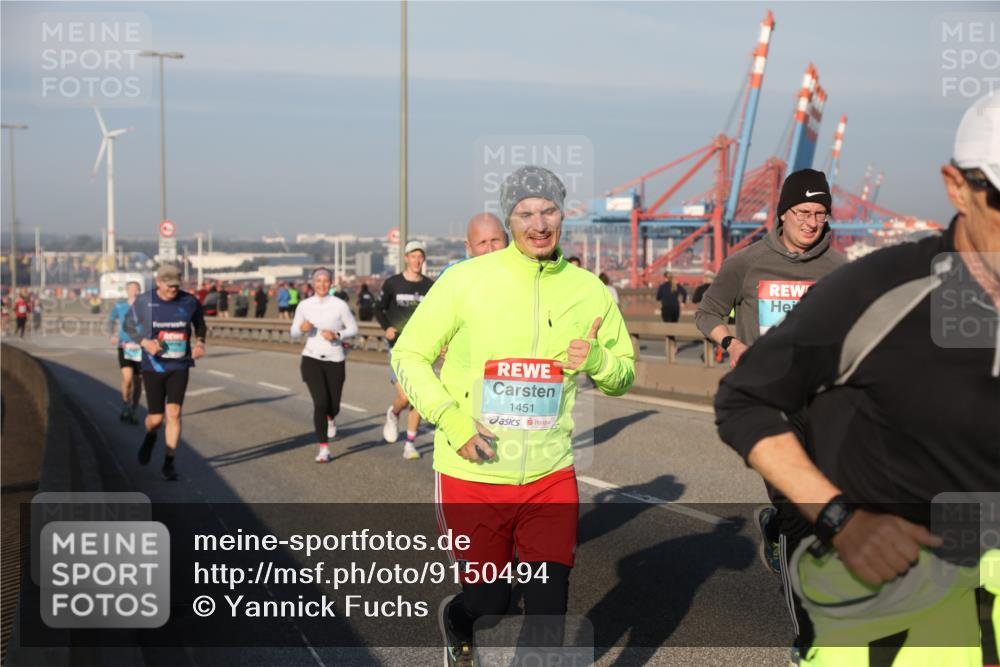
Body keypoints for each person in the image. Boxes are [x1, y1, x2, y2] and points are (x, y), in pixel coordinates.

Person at [715, 95, 1000, 666]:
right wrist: (840, 518)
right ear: (958, 187)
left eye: (821, 213)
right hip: (902, 613)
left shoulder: (835, 267)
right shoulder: (875, 291)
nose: (813, 220)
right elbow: (744, 399)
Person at [391, 166, 635, 666]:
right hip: (472, 472)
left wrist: (595, 361)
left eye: (548, 211)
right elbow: (408, 355)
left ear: (563, 215)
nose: (538, 224)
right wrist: (454, 425)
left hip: (549, 474)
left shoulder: (588, 289)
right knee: (491, 603)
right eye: (525, 213)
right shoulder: (465, 280)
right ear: (510, 219)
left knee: (548, 611)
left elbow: (625, 374)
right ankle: (459, 619)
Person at [124, 263, 207, 481]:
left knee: (175, 413)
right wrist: (145, 343)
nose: (173, 289)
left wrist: (200, 343)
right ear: (158, 282)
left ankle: (169, 462)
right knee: (156, 418)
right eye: (168, 285)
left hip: (179, 366)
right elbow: (128, 327)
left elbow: (200, 323)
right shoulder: (145, 301)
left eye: (176, 285)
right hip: (153, 366)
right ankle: (151, 435)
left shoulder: (189, 301)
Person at [291, 268, 359, 463]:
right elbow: (294, 331)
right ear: (312, 283)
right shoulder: (304, 305)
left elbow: (353, 328)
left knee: (333, 404)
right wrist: (301, 329)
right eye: (318, 280)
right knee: (320, 403)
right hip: (311, 358)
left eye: (325, 281)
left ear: (331, 283)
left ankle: (331, 417)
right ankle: (323, 448)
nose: (322, 284)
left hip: (335, 358)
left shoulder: (339, 305)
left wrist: (337, 335)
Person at [375, 239, 434, 460]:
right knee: (406, 396)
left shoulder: (429, 286)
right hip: (398, 347)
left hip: (422, 348)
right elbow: (378, 308)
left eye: (420, 257)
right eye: (413, 256)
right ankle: (394, 412)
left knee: (417, 396)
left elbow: (436, 315)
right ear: (406, 258)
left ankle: (410, 443)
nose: (417, 260)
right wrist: (386, 327)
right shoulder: (392, 284)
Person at [107, 281, 143, 424]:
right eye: (132, 289)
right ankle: (125, 404)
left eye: (137, 289)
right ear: (127, 291)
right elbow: (110, 320)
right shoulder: (120, 306)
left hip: (141, 347)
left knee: (138, 382)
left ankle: (134, 409)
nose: (134, 291)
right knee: (127, 378)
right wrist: (112, 335)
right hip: (125, 346)